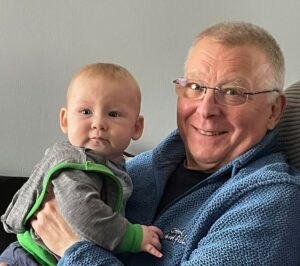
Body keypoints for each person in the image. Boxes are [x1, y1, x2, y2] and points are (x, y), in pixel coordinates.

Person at [5, 20, 300, 265]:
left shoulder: (272, 203)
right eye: (195, 87)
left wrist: (72, 248)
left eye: (234, 92)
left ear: (274, 110)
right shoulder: (140, 166)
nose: (207, 109)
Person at [0, 63, 163, 266]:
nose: (98, 123)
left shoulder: (118, 166)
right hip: (31, 258)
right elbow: (86, 215)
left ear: (136, 127)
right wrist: (134, 237)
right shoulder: (74, 166)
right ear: (65, 120)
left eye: (112, 114)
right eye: (86, 111)